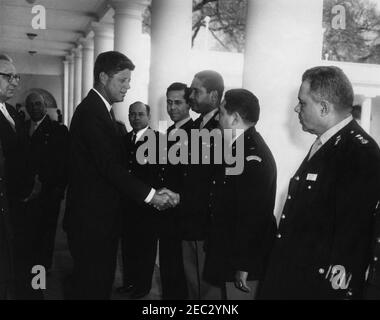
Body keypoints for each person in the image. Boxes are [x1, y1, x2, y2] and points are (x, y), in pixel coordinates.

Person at [63, 51, 179, 300]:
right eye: (123, 80)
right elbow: (109, 167)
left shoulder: (99, 110)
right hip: (92, 222)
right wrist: (151, 196)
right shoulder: (92, 112)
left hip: (96, 219)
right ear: (104, 77)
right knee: (93, 286)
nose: (128, 86)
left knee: (98, 283)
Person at [258, 66, 380, 300]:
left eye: (302, 103)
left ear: (324, 107)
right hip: (293, 277)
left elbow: (351, 238)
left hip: (315, 288)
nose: (296, 108)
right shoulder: (326, 143)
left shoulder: (360, 152)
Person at [203, 89, 277, 300]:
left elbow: (255, 217)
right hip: (226, 252)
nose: (217, 118)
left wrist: (244, 265)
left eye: (222, 113)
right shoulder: (237, 148)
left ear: (235, 118)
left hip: (240, 262)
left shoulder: (253, 156)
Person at [168, 70, 224, 299]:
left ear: (213, 95)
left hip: (207, 226)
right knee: (193, 285)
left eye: (196, 91)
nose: (191, 96)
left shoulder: (223, 130)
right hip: (188, 220)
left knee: (208, 290)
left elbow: (218, 181)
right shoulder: (194, 127)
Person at [0, 53, 37, 299]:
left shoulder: (11, 111)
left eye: (16, 76)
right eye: (8, 76)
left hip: (17, 205)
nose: (15, 82)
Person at [118, 102, 160, 299]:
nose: (135, 118)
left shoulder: (158, 141)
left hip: (147, 206)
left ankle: (143, 286)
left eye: (140, 114)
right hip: (126, 205)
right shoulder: (124, 140)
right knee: (128, 246)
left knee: (145, 248)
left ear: (148, 117)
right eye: (132, 114)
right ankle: (129, 282)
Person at [24, 90, 69, 271]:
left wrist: (59, 188)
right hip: (27, 192)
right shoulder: (22, 128)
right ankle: (32, 267)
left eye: (38, 104)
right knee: (30, 232)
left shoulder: (58, 130)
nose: (34, 108)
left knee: (46, 233)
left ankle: (42, 271)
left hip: (49, 193)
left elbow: (65, 163)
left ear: (45, 106)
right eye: (31, 105)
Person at [159, 82, 193, 299]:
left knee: (181, 275)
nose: (172, 108)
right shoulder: (170, 131)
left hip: (184, 214)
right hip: (166, 213)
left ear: (189, 104)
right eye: (169, 102)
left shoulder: (196, 132)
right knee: (167, 269)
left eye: (178, 102)